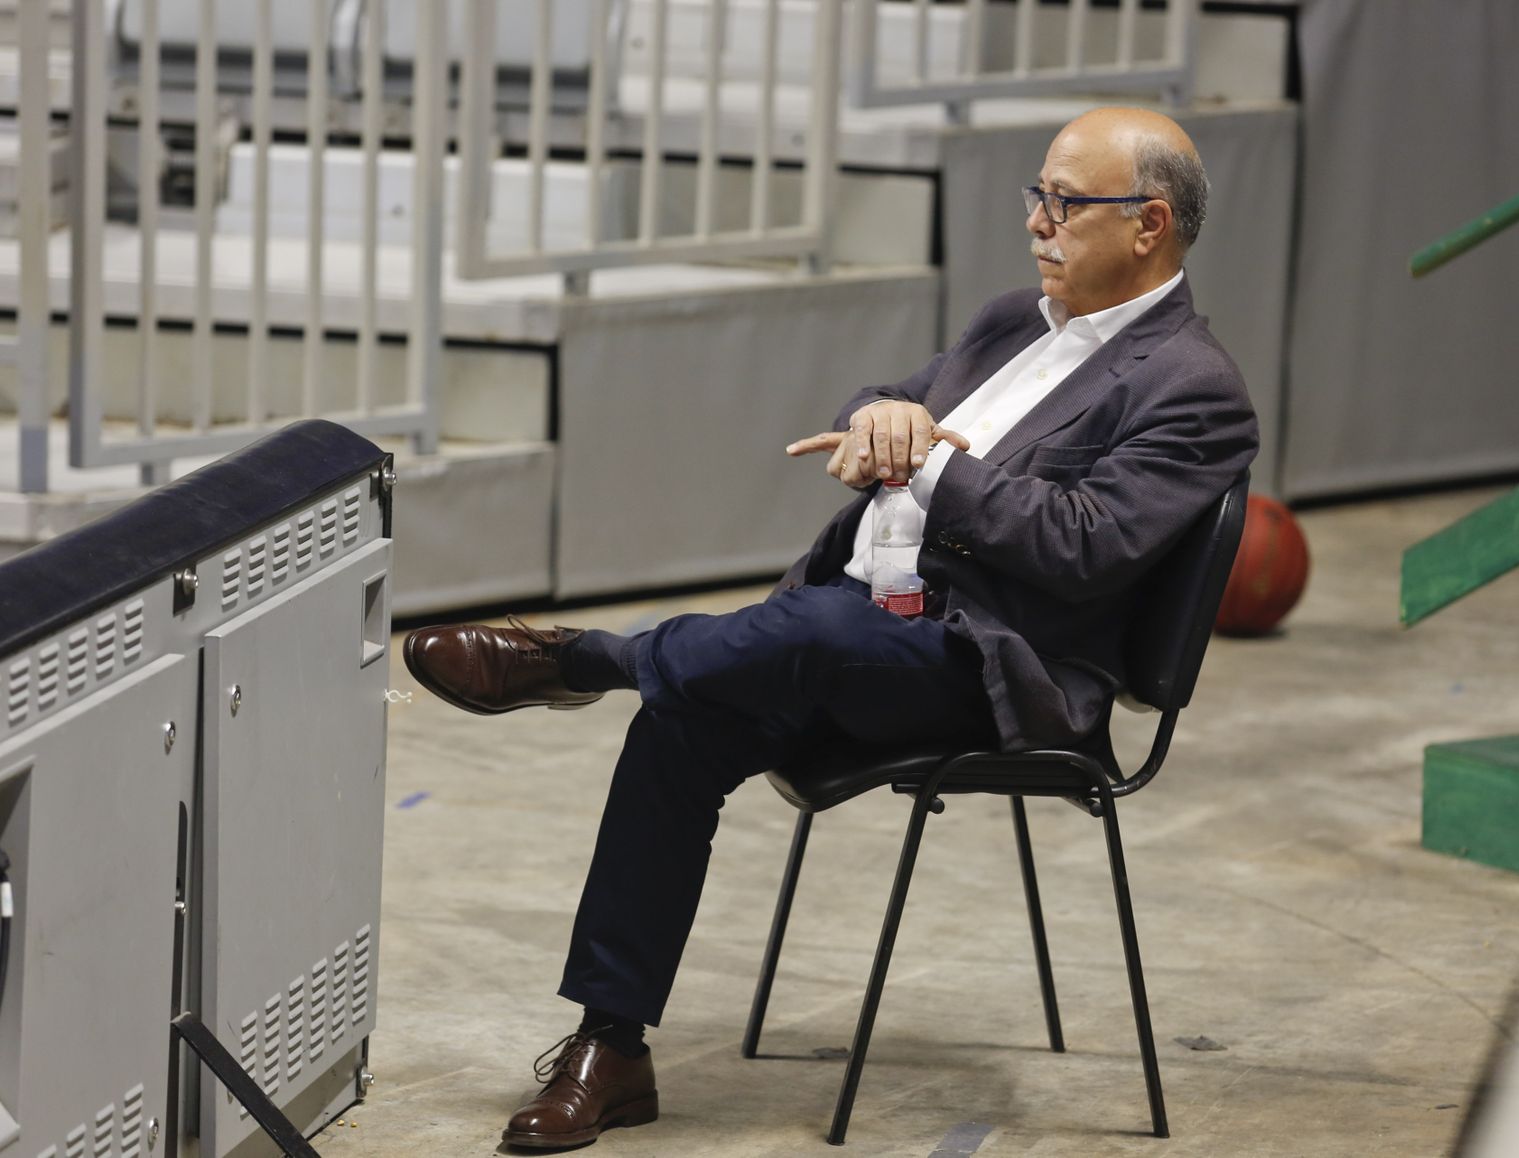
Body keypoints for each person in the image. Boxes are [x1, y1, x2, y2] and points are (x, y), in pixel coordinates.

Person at [403, 106, 1258, 1150]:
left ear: (1148, 225)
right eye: (1035, 194)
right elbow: (895, 398)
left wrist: (931, 464)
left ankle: (585, 658)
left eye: (1064, 203)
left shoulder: (1194, 390)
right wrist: (876, 422)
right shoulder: (1009, 320)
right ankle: (610, 1047)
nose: (1037, 221)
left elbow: (1084, 546)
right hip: (862, 625)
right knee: (685, 721)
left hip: (990, 668)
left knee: (805, 635)